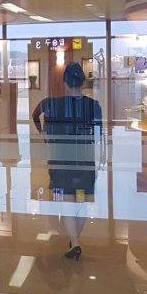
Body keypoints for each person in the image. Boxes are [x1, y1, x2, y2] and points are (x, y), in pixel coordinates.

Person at [32, 62, 102, 260]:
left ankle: (75, 243)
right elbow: (98, 134)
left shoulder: (50, 103)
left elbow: (35, 114)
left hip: (60, 160)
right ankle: (74, 240)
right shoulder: (93, 105)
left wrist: (43, 132)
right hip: (84, 160)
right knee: (81, 200)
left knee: (66, 200)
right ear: (83, 82)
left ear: (64, 82)